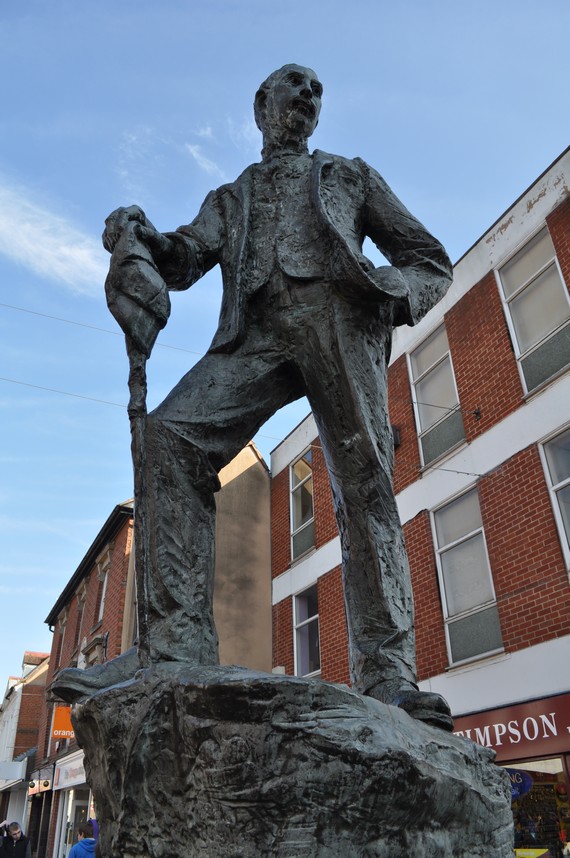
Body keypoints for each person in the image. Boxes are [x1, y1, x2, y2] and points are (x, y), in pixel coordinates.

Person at [53, 64, 454, 730]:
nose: (308, 95)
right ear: (262, 105)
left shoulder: (349, 176)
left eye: (317, 90)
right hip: (256, 335)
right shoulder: (231, 197)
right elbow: (184, 257)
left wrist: (386, 294)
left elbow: (429, 262)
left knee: (364, 485)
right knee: (168, 436)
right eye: (295, 85)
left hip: (338, 322)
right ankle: (174, 645)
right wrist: (140, 235)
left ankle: (388, 675)